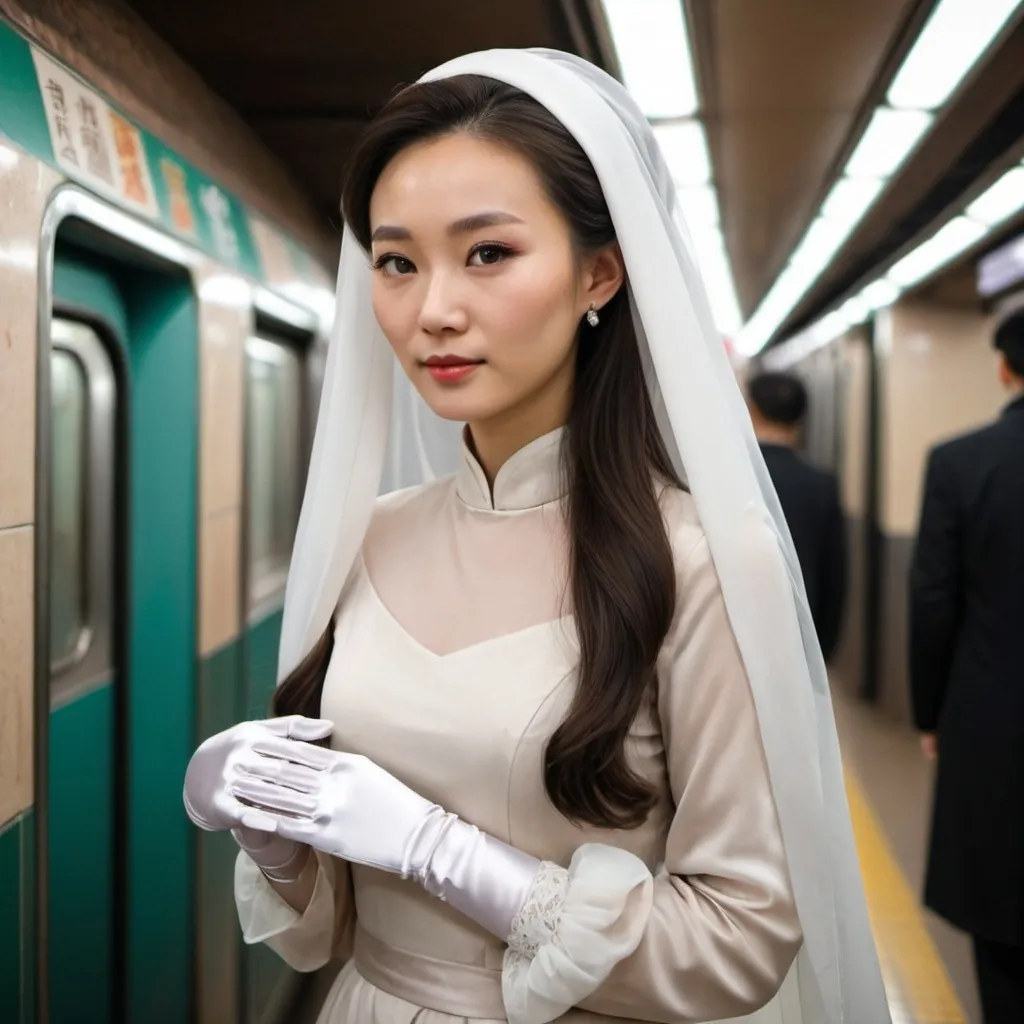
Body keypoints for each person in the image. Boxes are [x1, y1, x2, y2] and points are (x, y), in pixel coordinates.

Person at [182, 50, 889, 1023]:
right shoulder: (373, 535)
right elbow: (325, 930)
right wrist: (278, 836)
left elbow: (741, 940)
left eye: (487, 253)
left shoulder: (703, 563)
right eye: (396, 262)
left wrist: (447, 853)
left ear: (600, 273)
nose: (433, 310)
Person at [909, 310, 1024, 1023]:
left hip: (993, 727)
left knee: (1003, 930)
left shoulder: (961, 462)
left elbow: (933, 603)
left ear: (1006, 369)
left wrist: (931, 715)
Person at [746, 371, 846, 663]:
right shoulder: (821, 484)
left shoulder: (732, 480)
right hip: (800, 640)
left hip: (738, 633)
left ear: (750, 409)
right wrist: (822, 652)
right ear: (801, 417)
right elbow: (834, 579)